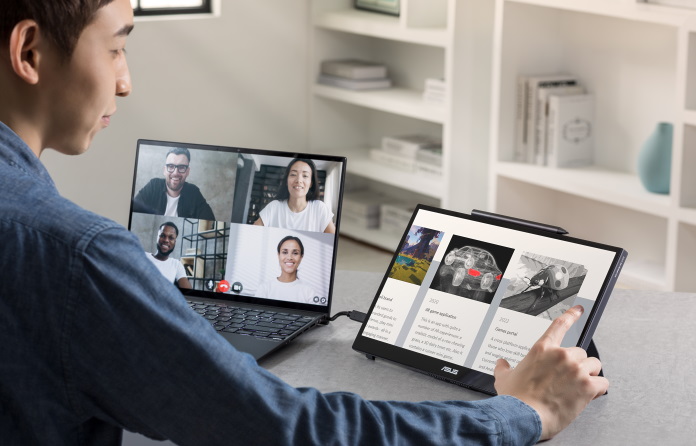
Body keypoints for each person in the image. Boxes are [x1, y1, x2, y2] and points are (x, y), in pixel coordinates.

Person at [0, 1, 608, 444]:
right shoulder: (77, 257)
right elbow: (287, 430)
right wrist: (526, 412)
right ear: (30, 51)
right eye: (116, 46)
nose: (126, 82)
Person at [133, 146, 216, 220]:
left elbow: (210, 220)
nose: (176, 173)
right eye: (171, 166)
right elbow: (132, 211)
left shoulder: (193, 192)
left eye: (181, 167)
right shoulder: (153, 186)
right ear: (164, 170)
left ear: (187, 171)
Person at [254, 158, 336, 233]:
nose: (299, 180)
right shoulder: (274, 207)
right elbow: (252, 234)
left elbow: (334, 242)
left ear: (311, 183)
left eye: (305, 176)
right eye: (293, 174)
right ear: (286, 181)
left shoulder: (319, 209)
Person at [256, 235, 317, 304]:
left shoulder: (309, 291)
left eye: (295, 253)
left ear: (301, 257)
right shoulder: (265, 288)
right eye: (285, 252)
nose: (289, 257)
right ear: (278, 255)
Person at [147, 221, 192, 289]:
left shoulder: (176, 265)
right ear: (157, 237)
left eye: (171, 238)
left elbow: (188, 292)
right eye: (162, 235)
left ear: (175, 242)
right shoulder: (143, 256)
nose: (166, 240)